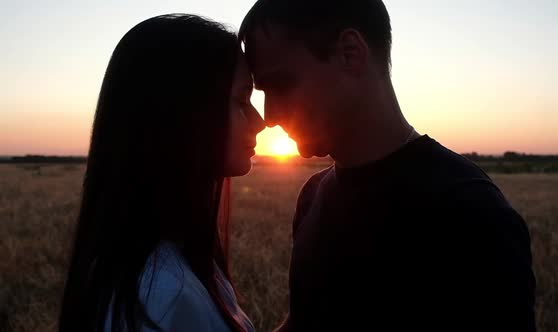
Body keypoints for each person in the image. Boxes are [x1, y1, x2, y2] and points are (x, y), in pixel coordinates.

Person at [239, 1, 536, 331]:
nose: (269, 116)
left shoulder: (471, 213)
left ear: (350, 53)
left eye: (280, 85)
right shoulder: (313, 196)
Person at [59, 14, 264, 332]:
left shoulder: (171, 261)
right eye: (241, 100)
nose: (259, 120)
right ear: (183, 115)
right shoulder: (164, 297)